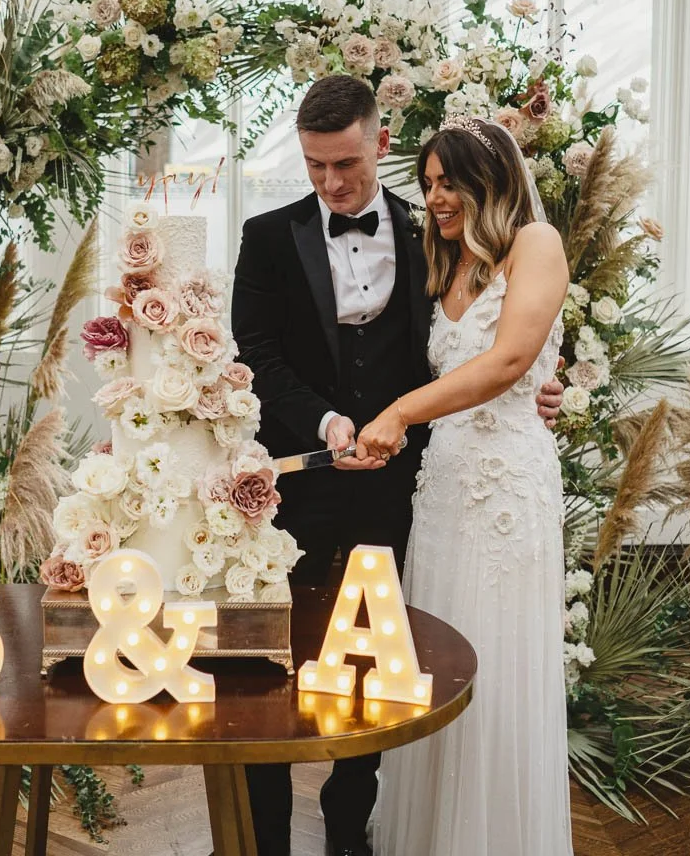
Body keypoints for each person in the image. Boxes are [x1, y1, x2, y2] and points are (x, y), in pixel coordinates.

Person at [231, 76, 564, 856]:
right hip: (299, 494)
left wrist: (543, 385)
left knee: (389, 666)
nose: (331, 182)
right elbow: (258, 354)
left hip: (402, 495)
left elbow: (499, 336)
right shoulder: (267, 236)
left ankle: (355, 833)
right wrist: (325, 419)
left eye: (345, 163)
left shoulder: (437, 230)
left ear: (381, 145)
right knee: (273, 668)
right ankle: (262, 842)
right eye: (315, 166)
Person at [356, 115, 574, 856]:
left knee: (497, 661)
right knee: (438, 661)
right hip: (443, 489)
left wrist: (401, 413)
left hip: (507, 493)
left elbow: (511, 359)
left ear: (490, 180)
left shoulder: (537, 246)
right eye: (426, 184)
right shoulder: (450, 264)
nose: (435, 198)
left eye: (447, 182)